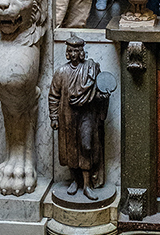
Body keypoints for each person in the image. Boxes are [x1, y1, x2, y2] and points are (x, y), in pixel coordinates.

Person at [48, 34, 116, 199]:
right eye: (70, 50)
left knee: (87, 146)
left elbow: (97, 93)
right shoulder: (61, 72)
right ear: (67, 52)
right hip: (68, 116)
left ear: (82, 52)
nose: (73, 54)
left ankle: (87, 184)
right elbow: (53, 95)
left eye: (77, 50)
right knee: (70, 148)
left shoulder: (91, 68)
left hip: (87, 115)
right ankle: (75, 181)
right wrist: (54, 117)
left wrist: (103, 97)